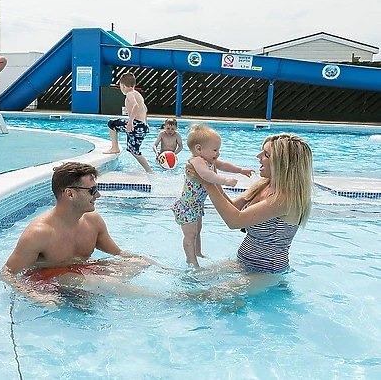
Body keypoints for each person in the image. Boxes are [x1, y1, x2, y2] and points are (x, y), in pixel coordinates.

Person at [0, 162, 165, 308]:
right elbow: (6, 273)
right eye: (92, 190)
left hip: (79, 272)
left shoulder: (93, 221)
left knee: (139, 262)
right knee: (103, 283)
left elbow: (119, 253)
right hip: (47, 279)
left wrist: (155, 265)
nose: (98, 195)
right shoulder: (40, 233)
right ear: (70, 193)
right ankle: (168, 301)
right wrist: (35, 296)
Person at [185, 133, 313, 299]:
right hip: (242, 263)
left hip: (267, 272)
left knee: (201, 297)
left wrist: (207, 183)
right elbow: (231, 208)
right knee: (191, 280)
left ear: (283, 164)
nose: (258, 157)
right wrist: (210, 175)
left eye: (266, 154)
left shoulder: (285, 198)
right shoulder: (264, 185)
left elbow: (234, 221)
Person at [172, 124, 253, 267]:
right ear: (199, 149)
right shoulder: (196, 161)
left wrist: (240, 170)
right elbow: (206, 175)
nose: (218, 153)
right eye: (215, 150)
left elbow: (224, 165)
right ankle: (190, 259)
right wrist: (225, 180)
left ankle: (198, 253)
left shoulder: (209, 160)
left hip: (196, 205)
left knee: (197, 230)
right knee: (190, 235)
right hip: (187, 207)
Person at [103, 72, 153, 173]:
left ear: (122, 85)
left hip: (136, 124)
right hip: (142, 126)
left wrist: (130, 122)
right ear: (134, 85)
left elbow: (136, 106)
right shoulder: (138, 94)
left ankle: (114, 147)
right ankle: (149, 171)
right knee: (134, 150)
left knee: (111, 124)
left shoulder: (130, 94)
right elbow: (145, 109)